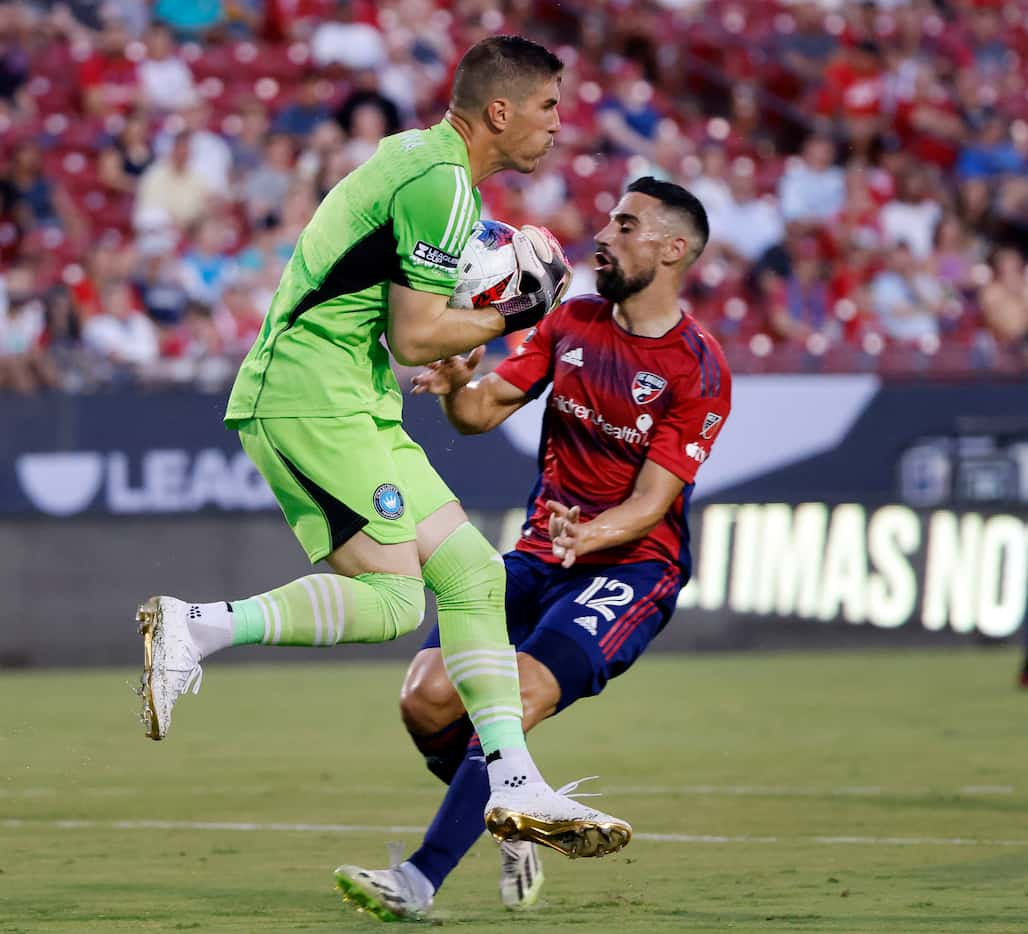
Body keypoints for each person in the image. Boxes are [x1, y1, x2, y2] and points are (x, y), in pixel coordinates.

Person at [135, 35, 630, 864]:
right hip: (307, 394)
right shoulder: (439, 183)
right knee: (399, 603)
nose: (557, 124)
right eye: (548, 107)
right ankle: (196, 627)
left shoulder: (430, 165)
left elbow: (417, 322)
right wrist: (517, 313)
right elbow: (413, 334)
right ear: (498, 111)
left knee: (472, 574)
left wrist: (464, 331)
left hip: (352, 395)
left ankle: (512, 780)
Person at [333, 177, 731, 920]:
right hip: (537, 557)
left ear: (674, 249)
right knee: (423, 702)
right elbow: (483, 410)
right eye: (610, 221)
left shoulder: (697, 367)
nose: (604, 236)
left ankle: (418, 880)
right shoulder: (571, 321)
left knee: (510, 699)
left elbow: (651, 503)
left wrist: (592, 532)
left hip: (634, 569)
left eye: (626, 225)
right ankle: (516, 812)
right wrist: (457, 382)